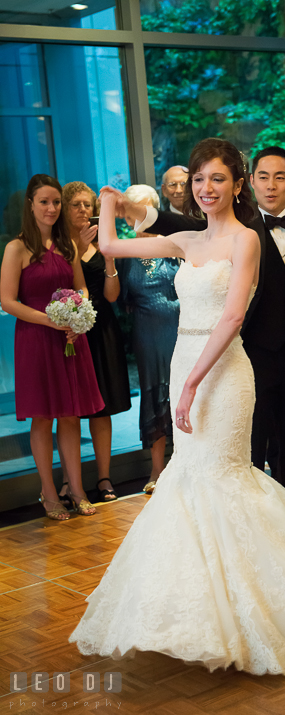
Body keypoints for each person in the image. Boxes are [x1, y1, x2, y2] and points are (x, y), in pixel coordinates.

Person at [69, 137, 285, 676]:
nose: (206, 188)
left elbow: (234, 316)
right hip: (185, 361)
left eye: (217, 179)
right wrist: (108, 202)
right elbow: (113, 250)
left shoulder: (245, 241)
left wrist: (192, 383)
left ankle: (271, 599)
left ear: (236, 185)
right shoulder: (186, 240)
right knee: (189, 482)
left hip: (223, 373)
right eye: (198, 180)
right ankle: (200, 609)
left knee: (226, 477)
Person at [109, 147, 285, 504]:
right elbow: (182, 226)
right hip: (249, 360)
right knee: (245, 461)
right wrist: (132, 210)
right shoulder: (236, 230)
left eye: (280, 177)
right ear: (251, 182)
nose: (272, 185)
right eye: (264, 177)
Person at [0, 174, 104, 519]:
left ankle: (76, 488)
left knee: (71, 414)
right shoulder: (16, 248)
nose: (51, 208)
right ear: (30, 205)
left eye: (56, 202)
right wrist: (48, 319)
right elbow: (7, 301)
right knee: (43, 418)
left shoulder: (68, 245)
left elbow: (82, 288)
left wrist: (78, 316)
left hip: (69, 338)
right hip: (35, 337)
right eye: (44, 202)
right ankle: (48, 492)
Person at [61, 181, 131, 504]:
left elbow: (112, 296)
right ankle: (68, 481)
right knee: (70, 410)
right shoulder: (60, 245)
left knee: (102, 408)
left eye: (88, 205)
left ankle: (104, 478)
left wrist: (109, 258)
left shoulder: (103, 239)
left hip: (102, 330)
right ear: (64, 208)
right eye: (76, 204)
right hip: (70, 331)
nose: (84, 210)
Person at [121, 184, 180, 493]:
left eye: (146, 212)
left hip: (181, 331)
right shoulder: (126, 252)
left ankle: (186, 466)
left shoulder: (174, 246)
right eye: (135, 214)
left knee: (184, 394)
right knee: (153, 397)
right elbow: (120, 299)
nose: (141, 221)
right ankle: (157, 470)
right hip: (146, 334)